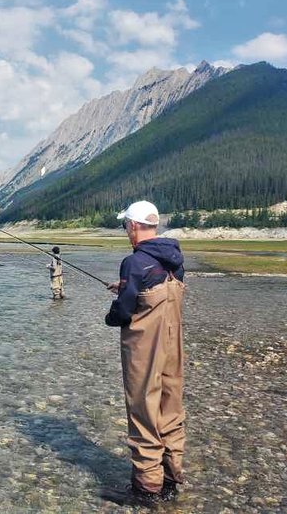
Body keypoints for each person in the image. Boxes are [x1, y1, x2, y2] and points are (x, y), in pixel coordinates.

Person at [105, 200, 186, 505]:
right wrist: (126, 286)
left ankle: (146, 488)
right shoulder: (175, 258)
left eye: (126, 225)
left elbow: (124, 311)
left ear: (135, 226)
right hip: (172, 341)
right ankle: (170, 477)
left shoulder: (133, 261)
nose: (126, 231)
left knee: (142, 407)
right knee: (170, 405)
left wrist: (111, 315)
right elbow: (155, 287)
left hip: (144, 345)